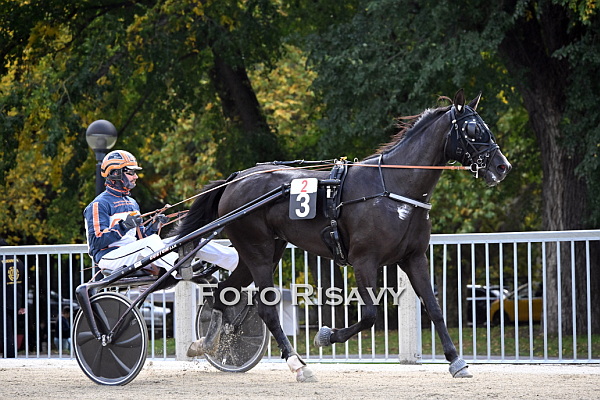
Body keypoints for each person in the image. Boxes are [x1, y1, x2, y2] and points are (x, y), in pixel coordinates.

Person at [83, 149, 238, 277]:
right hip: (109, 257)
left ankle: (236, 261)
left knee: (187, 239)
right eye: (131, 172)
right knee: (151, 243)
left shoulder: (132, 203)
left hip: (135, 252)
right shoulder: (98, 204)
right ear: (115, 173)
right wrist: (124, 226)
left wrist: (154, 225)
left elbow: (141, 238)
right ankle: (179, 266)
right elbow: (96, 242)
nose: (136, 176)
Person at [0, 238, 26, 358]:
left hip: (2, 300)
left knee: (6, 330)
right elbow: (24, 283)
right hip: (16, 300)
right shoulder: (18, 261)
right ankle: (11, 353)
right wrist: (22, 304)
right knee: (11, 329)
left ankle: (9, 355)